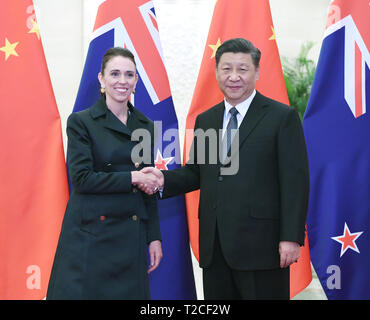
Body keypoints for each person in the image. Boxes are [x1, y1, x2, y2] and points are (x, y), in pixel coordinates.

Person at [141, 38, 309, 299]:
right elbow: (197, 172)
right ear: (217, 71)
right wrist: (162, 179)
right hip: (215, 247)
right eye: (226, 68)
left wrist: (291, 237)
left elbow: (295, 182)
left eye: (242, 69)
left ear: (257, 72)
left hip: (262, 248)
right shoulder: (206, 119)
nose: (233, 76)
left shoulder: (281, 117)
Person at [46, 47, 162, 300]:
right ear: (101, 79)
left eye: (129, 75)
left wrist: (154, 237)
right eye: (115, 74)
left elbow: (149, 188)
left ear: (136, 81)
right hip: (90, 237)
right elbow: (82, 179)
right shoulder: (81, 122)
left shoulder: (146, 126)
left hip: (131, 238)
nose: (122, 81)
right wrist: (133, 177)